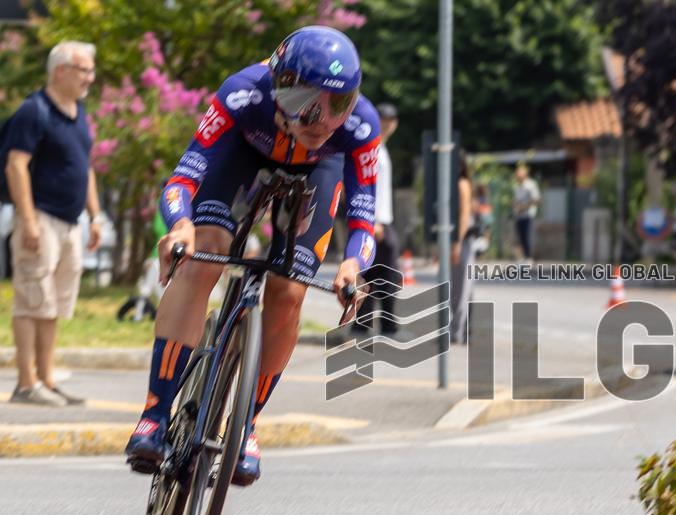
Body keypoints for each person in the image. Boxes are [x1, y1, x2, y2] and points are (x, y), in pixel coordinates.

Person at [124, 26, 380, 486]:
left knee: (289, 290)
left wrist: (351, 266)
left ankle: (246, 425)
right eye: (309, 102)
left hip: (317, 173)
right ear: (280, 86)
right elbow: (184, 178)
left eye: (339, 103)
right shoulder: (243, 94)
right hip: (244, 153)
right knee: (205, 255)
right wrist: (180, 226)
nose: (323, 119)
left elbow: (363, 218)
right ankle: (155, 414)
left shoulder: (360, 126)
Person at [6, 41, 106, 407]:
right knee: (33, 299)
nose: (90, 79)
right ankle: (25, 383)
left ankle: (46, 380)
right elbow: (16, 165)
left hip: (70, 222)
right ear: (60, 70)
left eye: (91, 71)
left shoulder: (79, 113)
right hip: (41, 218)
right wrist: (29, 221)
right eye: (84, 71)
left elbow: (86, 167)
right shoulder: (34, 111)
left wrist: (95, 216)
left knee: (55, 304)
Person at [351, 102, 400, 338]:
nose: (387, 124)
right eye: (383, 119)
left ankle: (368, 324)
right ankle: (372, 325)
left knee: (379, 272)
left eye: (391, 120)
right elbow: (371, 186)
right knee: (380, 273)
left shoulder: (384, 147)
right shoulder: (374, 145)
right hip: (377, 220)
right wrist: (376, 221)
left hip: (382, 219)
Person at [449, 153, 474, 343]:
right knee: (462, 286)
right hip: (459, 239)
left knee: (460, 287)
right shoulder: (456, 183)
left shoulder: (461, 184)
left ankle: (457, 332)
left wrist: (457, 243)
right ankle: (463, 330)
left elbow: (464, 215)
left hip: (462, 240)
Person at [511, 164, 539, 262]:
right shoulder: (517, 186)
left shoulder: (531, 185)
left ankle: (529, 257)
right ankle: (524, 256)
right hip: (519, 215)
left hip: (528, 215)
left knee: (528, 236)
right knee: (521, 236)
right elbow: (516, 200)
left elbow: (535, 199)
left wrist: (524, 207)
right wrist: (516, 206)